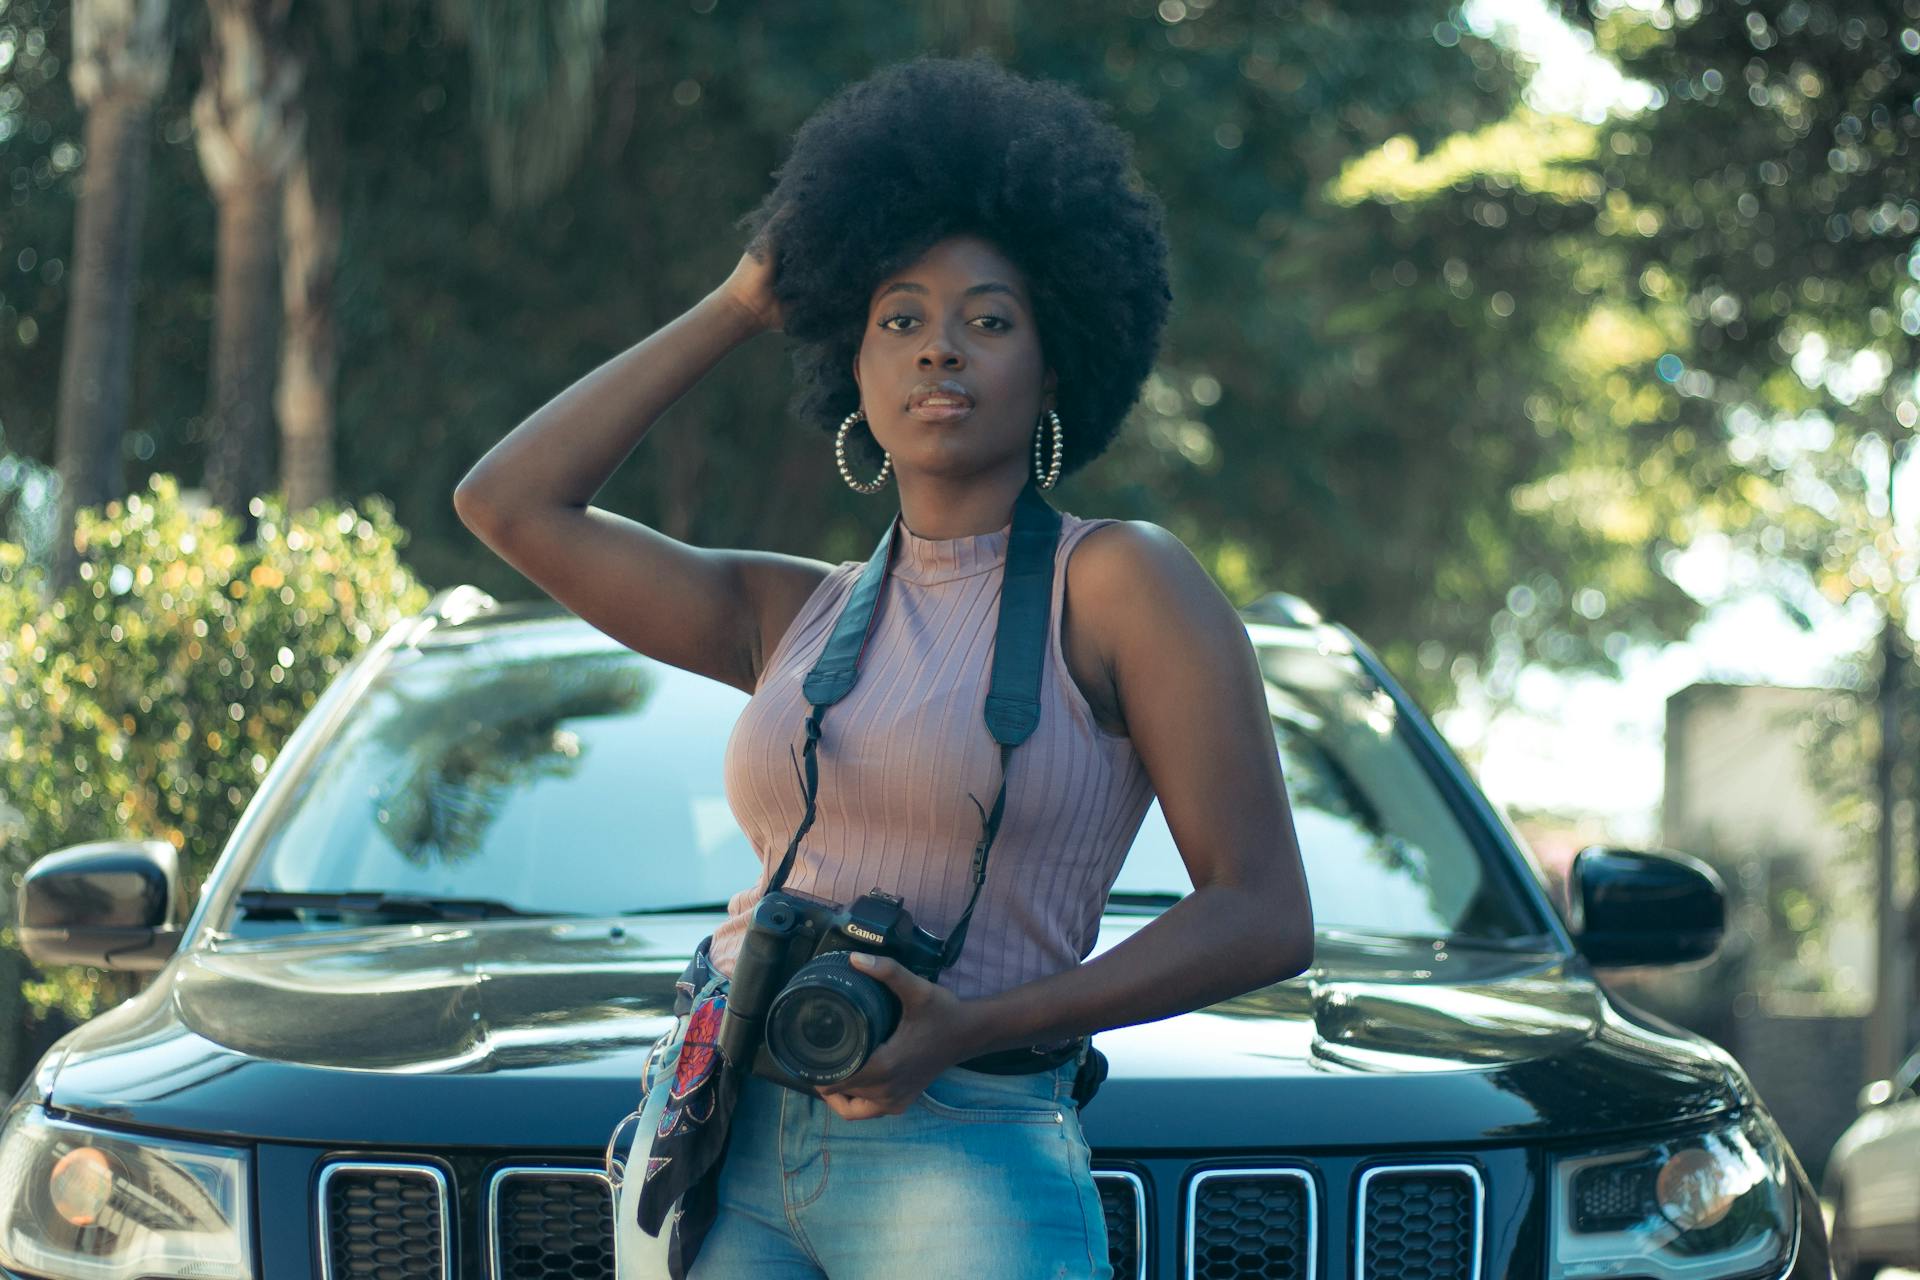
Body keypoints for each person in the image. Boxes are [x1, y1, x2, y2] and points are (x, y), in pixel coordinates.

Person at [455, 52, 1313, 1280]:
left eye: (990, 319)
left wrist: (975, 1024)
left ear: (1056, 358)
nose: (938, 350)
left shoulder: (1122, 581)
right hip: (722, 1123)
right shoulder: (789, 612)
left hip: (967, 1143)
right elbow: (508, 502)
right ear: (850, 371)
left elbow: (1263, 910)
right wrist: (750, 296)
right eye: (897, 318)